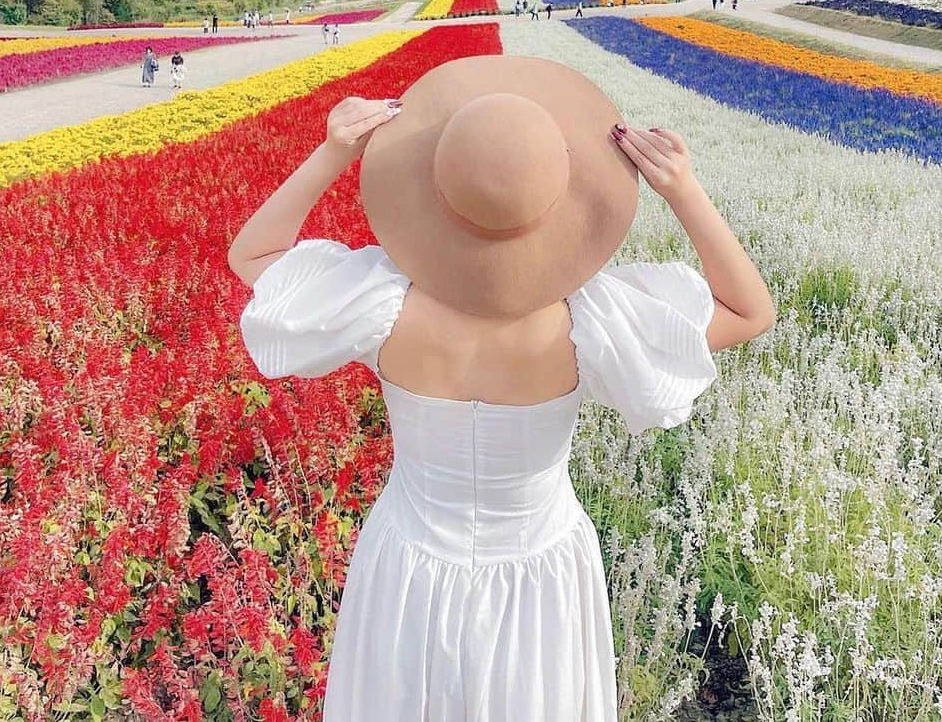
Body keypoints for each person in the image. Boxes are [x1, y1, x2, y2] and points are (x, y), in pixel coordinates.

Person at [232, 58, 774, 720]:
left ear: (436, 190)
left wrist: (331, 151)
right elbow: (751, 312)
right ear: (559, 197)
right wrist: (684, 189)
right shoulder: (589, 322)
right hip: (540, 571)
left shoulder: (382, 302)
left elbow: (253, 258)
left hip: (408, 562)